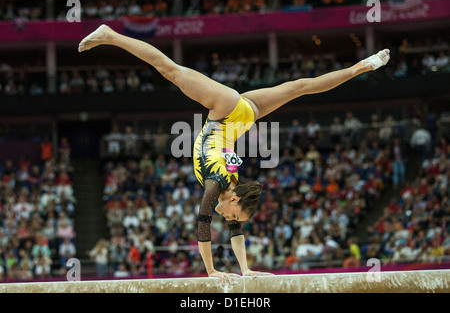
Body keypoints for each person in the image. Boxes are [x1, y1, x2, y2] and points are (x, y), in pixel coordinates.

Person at [78, 24, 390, 284]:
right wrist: (211, 271)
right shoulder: (217, 185)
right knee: (169, 69)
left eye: (230, 218)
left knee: (300, 87)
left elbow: (233, 230)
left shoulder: (230, 188)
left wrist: (245, 270)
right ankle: (110, 35)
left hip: (242, 116)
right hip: (225, 110)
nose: (227, 218)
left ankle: (359, 67)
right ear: (236, 199)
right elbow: (202, 223)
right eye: (233, 214)